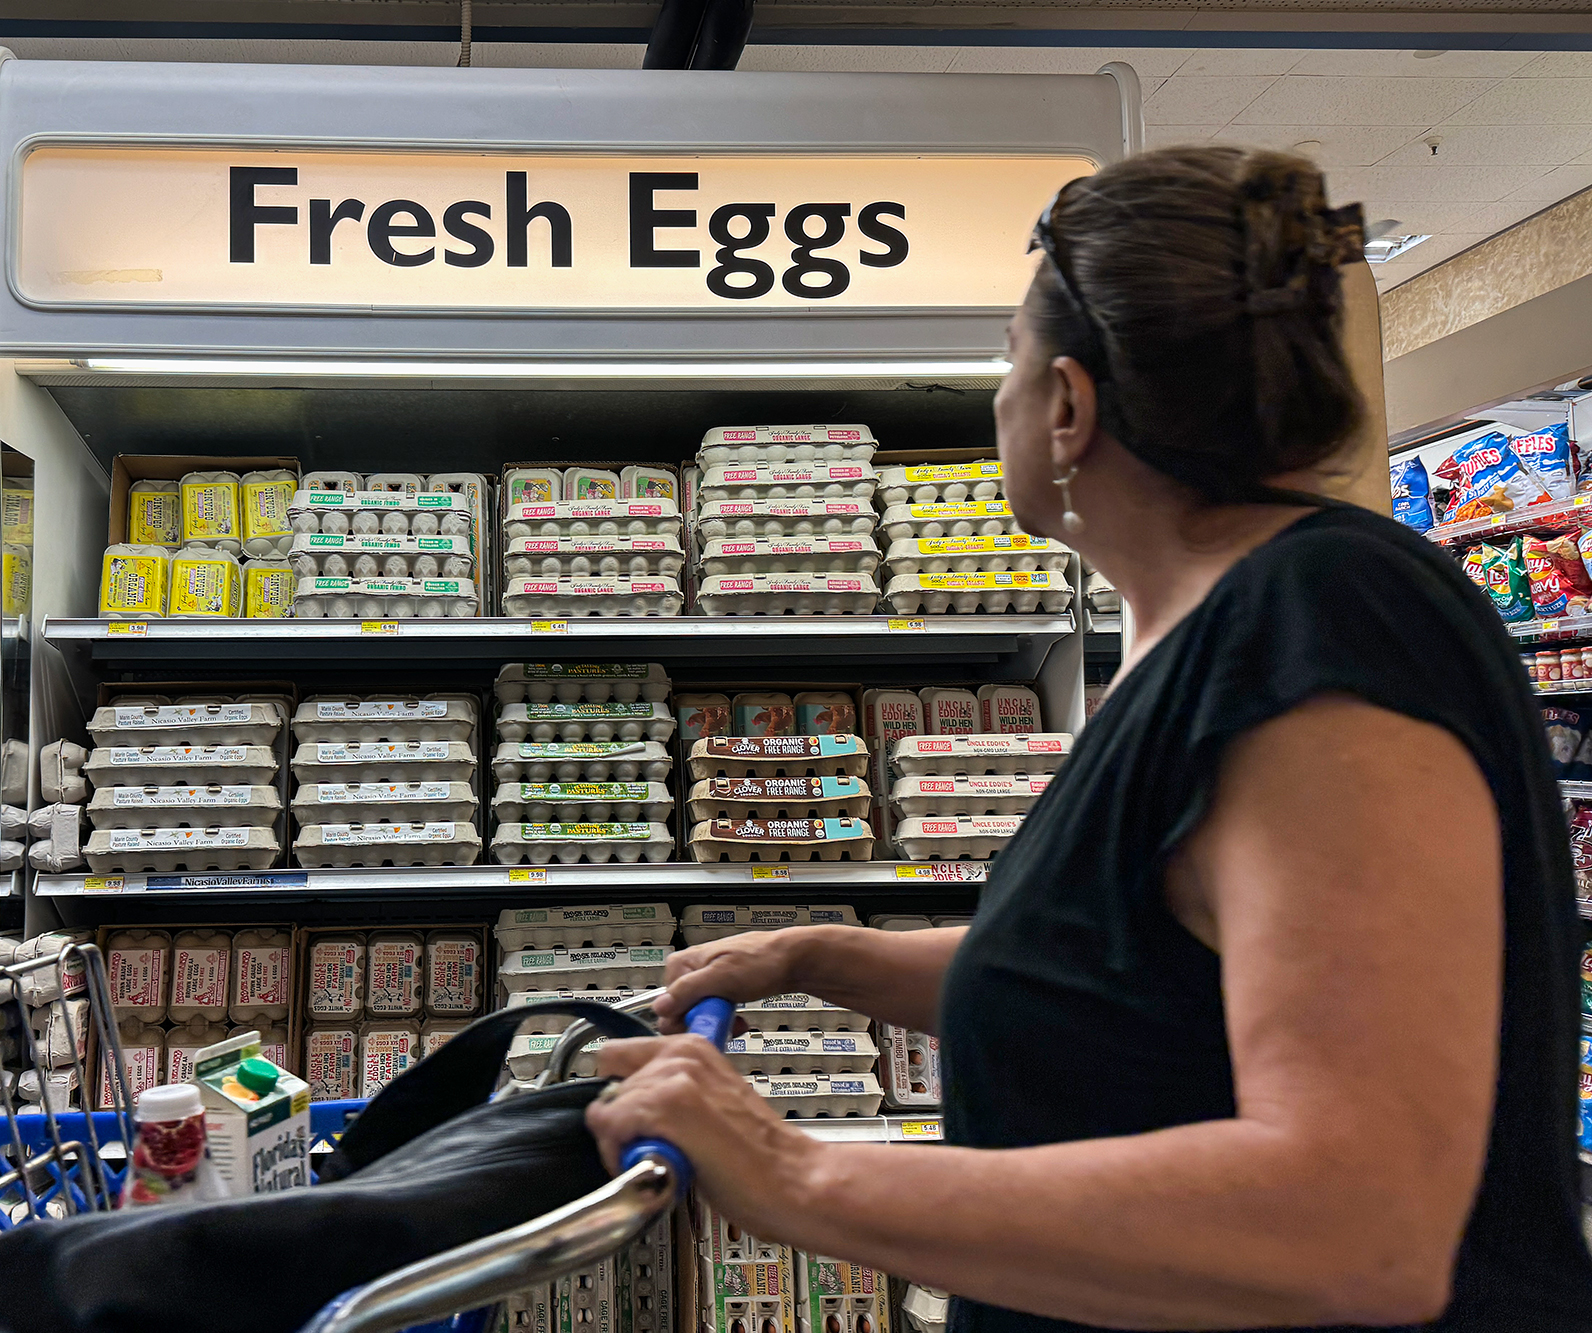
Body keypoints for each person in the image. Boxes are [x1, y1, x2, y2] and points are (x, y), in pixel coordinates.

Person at [584, 145, 1592, 1330]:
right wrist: (813, 955)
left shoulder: (1319, 619)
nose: (997, 399)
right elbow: (1115, 981)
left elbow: (1358, 1223)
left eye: (1005, 361)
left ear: (1066, 405)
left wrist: (794, 1173)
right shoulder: (1225, 627)